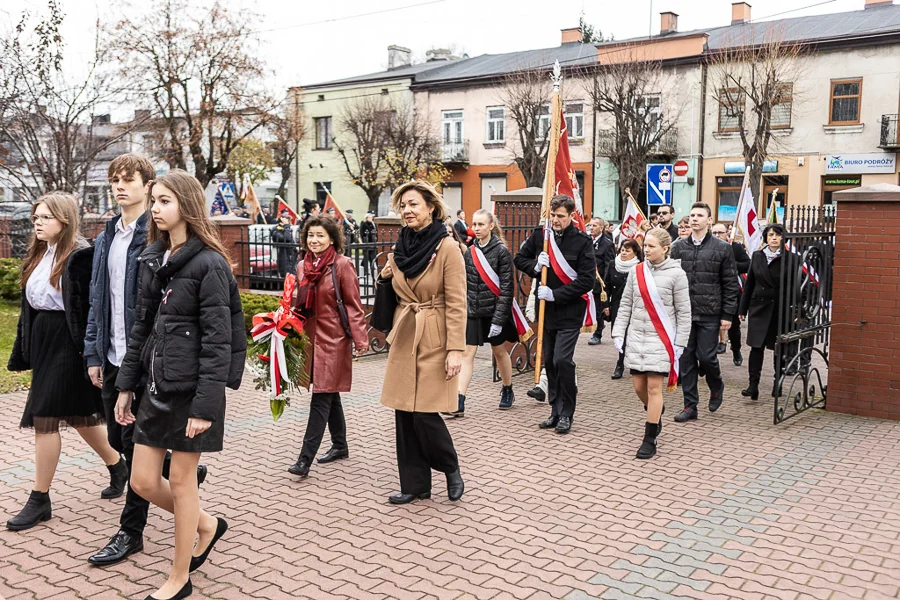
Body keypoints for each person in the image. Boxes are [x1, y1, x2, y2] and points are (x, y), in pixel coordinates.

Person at [114, 170, 245, 600]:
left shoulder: (208, 263)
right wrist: (126, 386)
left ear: (187, 205)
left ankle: (179, 576)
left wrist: (206, 406)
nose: (156, 208)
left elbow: (218, 340)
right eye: (154, 200)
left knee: (184, 483)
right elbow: (142, 328)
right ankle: (206, 524)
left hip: (193, 394)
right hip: (157, 388)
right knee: (143, 482)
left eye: (165, 200)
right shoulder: (155, 258)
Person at [85, 155, 207, 566]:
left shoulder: (155, 241)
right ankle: (174, 469)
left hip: (151, 361)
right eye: (114, 180)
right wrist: (93, 350)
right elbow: (98, 299)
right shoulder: (105, 238)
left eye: (128, 180)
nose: (120, 187)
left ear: (147, 185)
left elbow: (157, 312)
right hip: (116, 354)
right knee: (123, 441)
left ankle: (131, 530)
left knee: (138, 450)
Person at [6, 193, 123, 532]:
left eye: (44, 217)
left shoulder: (81, 256)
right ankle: (118, 466)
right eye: (35, 217)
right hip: (44, 339)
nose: (37, 223)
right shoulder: (39, 253)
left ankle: (39, 498)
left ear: (65, 220)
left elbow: (94, 309)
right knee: (78, 415)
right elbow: (31, 308)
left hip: (69, 344)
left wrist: (93, 354)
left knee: (44, 416)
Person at [378, 180, 466, 505]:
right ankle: (416, 485)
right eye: (402, 205)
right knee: (404, 411)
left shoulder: (447, 248)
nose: (407, 210)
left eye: (413, 204)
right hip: (405, 333)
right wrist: (387, 276)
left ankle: (450, 466)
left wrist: (455, 349)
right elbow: (394, 289)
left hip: (435, 334)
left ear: (430, 207)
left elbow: (457, 302)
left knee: (425, 413)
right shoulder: (400, 247)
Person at [287, 215, 369, 478]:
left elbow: (354, 305)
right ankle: (340, 445)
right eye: (311, 235)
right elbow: (299, 303)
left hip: (334, 340)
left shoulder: (343, 265)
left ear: (332, 238)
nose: (315, 240)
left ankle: (304, 459)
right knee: (329, 392)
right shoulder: (302, 266)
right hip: (311, 339)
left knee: (320, 397)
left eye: (320, 235)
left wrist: (361, 339)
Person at [514, 194, 595, 434]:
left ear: (571, 216)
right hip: (546, 312)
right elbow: (520, 259)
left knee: (562, 360)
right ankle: (554, 410)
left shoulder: (582, 241)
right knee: (548, 361)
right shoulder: (541, 236)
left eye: (561, 216)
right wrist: (535, 267)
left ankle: (567, 413)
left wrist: (556, 294)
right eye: (553, 215)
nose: (556, 220)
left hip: (569, 311)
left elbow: (587, 280)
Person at [613, 229, 690, 459]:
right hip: (637, 336)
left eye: (651, 246)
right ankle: (656, 411)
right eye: (645, 245)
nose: (646, 250)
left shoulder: (677, 274)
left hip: (661, 339)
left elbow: (684, 311)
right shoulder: (637, 272)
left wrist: (680, 343)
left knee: (654, 388)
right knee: (638, 387)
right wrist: (618, 332)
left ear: (665, 249)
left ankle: (650, 437)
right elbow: (626, 303)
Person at [669, 203, 739, 423]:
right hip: (684, 313)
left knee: (707, 357)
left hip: (710, 312)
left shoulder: (722, 248)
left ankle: (716, 385)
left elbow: (730, 284)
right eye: (692, 215)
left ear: (709, 220)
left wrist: (727, 315)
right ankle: (690, 406)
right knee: (687, 360)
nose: (695, 219)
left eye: (700, 215)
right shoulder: (678, 247)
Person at [458, 209, 518, 413]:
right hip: (473, 310)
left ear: (491, 226)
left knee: (499, 351)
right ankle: (459, 399)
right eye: (474, 224)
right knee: (467, 353)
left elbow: (507, 289)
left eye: (481, 224)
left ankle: (508, 388)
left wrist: (498, 320)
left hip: (494, 312)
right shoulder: (470, 250)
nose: (476, 228)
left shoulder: (501, 251)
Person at [738, 223, 792, 400]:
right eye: (770, 235)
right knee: (756, 347)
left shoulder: (790, 258)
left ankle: (779, 383)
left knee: (779, 348)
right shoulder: (757, 256)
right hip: (758, 308)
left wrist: (797, 311)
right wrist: (743, 308)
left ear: (783, 238)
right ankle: (753, 385)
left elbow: (797, 286)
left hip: (779, 310)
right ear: (765, 238)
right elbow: (750, 283)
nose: (774, 238)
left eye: (777, 235)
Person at [711, 223, 751, 365]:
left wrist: (731, 264)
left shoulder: (735, 247)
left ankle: (736, 350)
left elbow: (747, 264)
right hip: (713, 291)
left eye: (720, 233)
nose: (717, 236)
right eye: (714, 233)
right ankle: (710, 356)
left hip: (732, 291)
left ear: (727, 234)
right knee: (711, 325)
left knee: (733, 326)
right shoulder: (709, 247)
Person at [604, 239, 643, 380]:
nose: (624, 253)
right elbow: (606, 285)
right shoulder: (613, 264)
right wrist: (605, 305)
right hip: (617, 304)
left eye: (628, 250)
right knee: (620, 334)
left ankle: (629, 363)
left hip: (636, 305)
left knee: (633, 335)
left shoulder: (641, 266)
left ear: (635, 252)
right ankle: (620, 362)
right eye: (622, 250)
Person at [588, 217, 616, 346]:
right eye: (590, 225)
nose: (591, 228)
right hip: (586, 280)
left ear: (601, 228)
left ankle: (598, 333)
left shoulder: (607, 243)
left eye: (594, 226)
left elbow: (609, 264)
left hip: (599, 282)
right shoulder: (587, 241)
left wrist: (604, 284)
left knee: (598, 308)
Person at [270, 211, 298, 278]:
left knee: (292, 275)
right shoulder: (276, 231)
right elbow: (287, 238)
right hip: (284, 257)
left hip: (291, 256)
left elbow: (291, 241)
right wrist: (286, 226)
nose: (290, 224)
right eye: (288, 222)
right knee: (287, 276)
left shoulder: (285, 230)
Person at [360, 212, 377, 279]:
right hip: (366, 242)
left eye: (371, 217)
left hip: (372, 242)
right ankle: (365, 271)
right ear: (366, 218)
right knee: (367, 256)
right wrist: (364, 241)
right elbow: (362, 233)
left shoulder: (372, 223)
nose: (371, 218)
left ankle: (370, 268)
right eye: (370, 217)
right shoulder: (364, 223)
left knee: (371, 256)